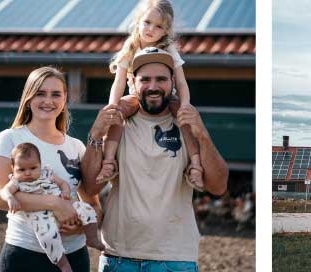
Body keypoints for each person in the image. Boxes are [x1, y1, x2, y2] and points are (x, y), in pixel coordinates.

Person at [82, 48, 228, 271]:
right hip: (118, 256)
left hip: (175, 258)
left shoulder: (187, 126)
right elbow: (91, 186)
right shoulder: (118, 125)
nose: (153, 87)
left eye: (161, 79)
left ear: (172, 82)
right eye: (145, 79)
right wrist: (95, 134)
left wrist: (203, 134)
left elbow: (218, 187)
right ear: (132, 82)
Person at [0, 66, 99, 272]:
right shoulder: (9, 138)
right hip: (25, 256)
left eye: (56, 94)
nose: (48, 101)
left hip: (76, 256)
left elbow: (93, 203)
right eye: (40, 93)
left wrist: (80, 226)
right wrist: (55, 203)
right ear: (29, 99)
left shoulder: (76, 146)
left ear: (65, 99)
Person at [98, 0, 204, 192]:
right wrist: (113, 105)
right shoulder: (130, 47)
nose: (150, 29)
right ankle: (108, 162)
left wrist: (185, 105)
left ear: (165, 31)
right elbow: (119, 81)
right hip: (135, 97)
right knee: (116, 115)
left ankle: (195, 165)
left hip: (166, 99)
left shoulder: (169, 50)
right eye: (147, 22)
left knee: (185, 119)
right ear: (138, 21)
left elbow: (180, 82)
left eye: (158, 26)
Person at [0, 143, 104, 272]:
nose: (28, 173)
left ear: (40, 164)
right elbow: (4, 191)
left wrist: (65, 191)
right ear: (13, 168)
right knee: (47, 237)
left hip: (64, 203)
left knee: (87, 209)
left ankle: (92, 237)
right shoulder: (16, 181)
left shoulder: (47, 173)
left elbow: (62, 183)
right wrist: (10, 198)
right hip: (40, 215)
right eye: (21, 170)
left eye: (33, 168)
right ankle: (63, 264)